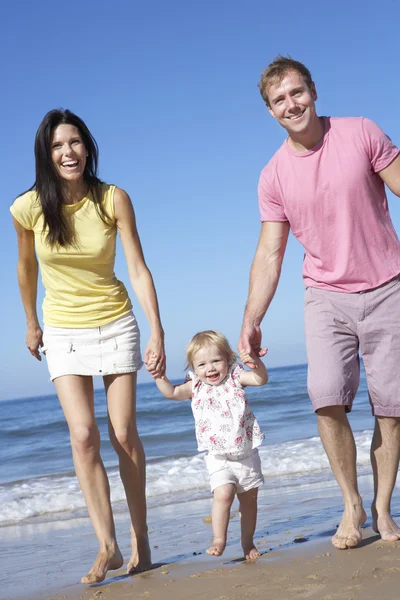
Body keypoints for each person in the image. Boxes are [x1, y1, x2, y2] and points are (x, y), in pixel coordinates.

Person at [238, 56, 400, 550]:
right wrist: (251, 318)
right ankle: (351, 503)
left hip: (389, 286)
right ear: (270, 111)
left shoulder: (361, 132)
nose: (292, 104)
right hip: (325, 295)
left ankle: (382, 507)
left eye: (297, 92)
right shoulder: (274, 176)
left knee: (391, 408)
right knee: (326, 395)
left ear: (313, 91)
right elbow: (270, 252)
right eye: (279, 99)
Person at [10, 109, 166, 584]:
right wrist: (31, 322)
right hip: (62, 330)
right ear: (46, 154)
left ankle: (140, 538)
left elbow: (137, 266)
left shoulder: (112, 199)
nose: (68, 152)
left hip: (115, 322)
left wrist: (156, 328)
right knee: (83, 436)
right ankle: (108, 546)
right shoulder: (28, 208)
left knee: (123, 435)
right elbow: (25, 269)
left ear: (87, 146)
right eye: (58, 146)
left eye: (74, 142)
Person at [152, 330, 268, 559]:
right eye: (202, 364)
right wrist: (158, 375)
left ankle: (247, 542)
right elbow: (172, 392)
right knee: (223, 494)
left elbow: (260, 379)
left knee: (249, 503)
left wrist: (256, 362)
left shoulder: (236, 377)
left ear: (228, 359)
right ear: (194, 368)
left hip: (246, 453)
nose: (210, 369)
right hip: (217, 456)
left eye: (216, 361)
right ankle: (219, 539)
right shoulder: (195, 386)